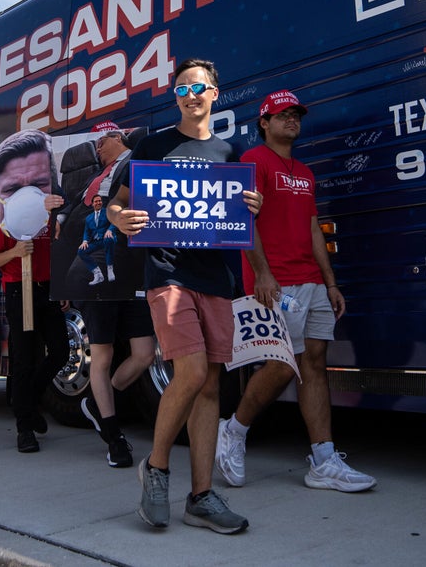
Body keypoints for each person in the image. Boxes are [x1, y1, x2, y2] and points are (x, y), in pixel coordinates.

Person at [107, 58, 262, 533]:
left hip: (216, 278)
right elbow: (115, 201)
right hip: (168, 274)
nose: (189, 94)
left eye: (198, 87)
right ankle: (156, 469)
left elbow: (243, 223)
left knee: (211, 385)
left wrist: (253, 210)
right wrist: (119, 218)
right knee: (190, 371)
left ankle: (201, 496)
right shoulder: (152, 145)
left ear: (215, 93)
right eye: (180, 89)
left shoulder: (233, 152)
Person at [215, 90, 377, 493]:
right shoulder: (253, 161)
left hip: (311, 281)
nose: (291, 120)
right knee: (281, 362)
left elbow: (311, 229)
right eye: (282, 115)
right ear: (264, 123)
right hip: (276, 281)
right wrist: (263, 275)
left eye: (295, 115)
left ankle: (323, 461)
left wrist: (331, 281)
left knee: (315, 363)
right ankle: (233, 431)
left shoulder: (304, 172)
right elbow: (242, 220)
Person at [73, 127, 155, 468]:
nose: (97, 149)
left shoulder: (140, 162)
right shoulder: (97, 181)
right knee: (102, 356)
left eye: (101, 141)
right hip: (99, 270)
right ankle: (113, 435)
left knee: (145, 353)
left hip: (133, 270)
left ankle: (97, 403)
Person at [0, 129, 67, 453]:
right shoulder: (4, 220)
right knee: (24, 358)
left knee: (59, 352)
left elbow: (62, 251)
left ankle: (28, 402)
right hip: (19, 290)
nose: (28, 193)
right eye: (17, 186)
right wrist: (16, 252)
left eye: (38, 183)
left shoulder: (53, 214)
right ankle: (24, 426)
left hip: (48, 289)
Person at [77, 194, 117, 286]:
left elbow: (114, 221)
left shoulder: (107, 212)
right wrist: (85, 241)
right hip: (96, 242)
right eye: (96, 201)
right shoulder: (89, 218)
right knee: (81, 251)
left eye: (100, 201)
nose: (98, 203)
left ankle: (110, 269)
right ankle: (98, 274)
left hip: (107, 238)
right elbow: (86, 232)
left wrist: (110, 230)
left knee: (108, 239)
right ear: (92, 204)